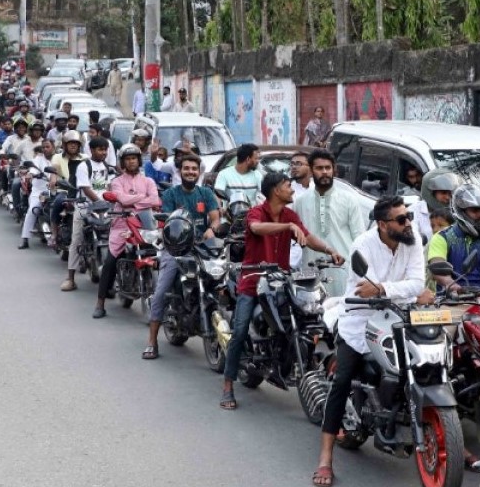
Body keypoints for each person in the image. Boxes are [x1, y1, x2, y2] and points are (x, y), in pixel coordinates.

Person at [312, 195, 425, 487]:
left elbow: (417, 284)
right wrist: (394, 290)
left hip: (399, 317)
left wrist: (385, 289)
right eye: (401, 219)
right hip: (360, 321)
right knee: (342, 381)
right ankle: (325, 457)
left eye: (409, 217)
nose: (408, 223)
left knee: (427, 365)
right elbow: (367, 289)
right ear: (383, 224)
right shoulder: (362, 245)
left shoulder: (413, 240)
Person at [220, 172, 343, 411]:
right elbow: (256, 228)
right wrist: (287, 227)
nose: (292, 189)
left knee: (306, 315)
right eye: (288, 186)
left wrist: (330, 251)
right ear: (276, 190)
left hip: (281, 281)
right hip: (253, 282)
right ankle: (227, 385)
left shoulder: (290, 215)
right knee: (240, 330)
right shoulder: (257, 212)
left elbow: (308, 237)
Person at [142, 154, 220, 358]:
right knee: (161, 292)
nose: (190, 172)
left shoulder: (206, 193)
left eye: (194, 169)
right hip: (175, 248)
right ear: (179, 171)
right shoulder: (170, 194)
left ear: (199, 172)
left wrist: (212, 228)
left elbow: (215, 218)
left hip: (203, 248)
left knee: (221, 281)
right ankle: (152, 342)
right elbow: (169, 220)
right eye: (186, 168)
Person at [94, 144, 161, 319]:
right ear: (123, 162)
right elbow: (122, 200)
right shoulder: (117, 181)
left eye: (134, 158)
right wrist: (143, 199)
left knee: (160, 257)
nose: (131, 162)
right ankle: (100, 303)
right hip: (122, 226)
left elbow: (155, 200)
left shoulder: (148, 181)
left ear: (139, 160)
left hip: (144, 225)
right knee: (110, 262)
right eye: (128, 159)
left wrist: (133, 201)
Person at [293, 149, 366, 296]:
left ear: (334, 170)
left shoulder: (349, 200)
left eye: (328, 168)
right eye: (319, 168)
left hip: (343, 270)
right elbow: (298, 237)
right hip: (311, 271)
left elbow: (360, 239)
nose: (325, 172)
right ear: (311, 171)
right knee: (312, 308)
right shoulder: (300, 202)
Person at [62, 137, 113, 292]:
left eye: (105, 150)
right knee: (76, 240)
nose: (103, 152)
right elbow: (85, 188)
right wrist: (100, 202)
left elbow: (109, 187)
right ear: (91, 150)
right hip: (85, 207)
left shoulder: (107, 166)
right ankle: (70, 279)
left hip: (104, 209)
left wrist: (110, 202)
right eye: (100, 149)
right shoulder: (84, 166)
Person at [19, 138, 58, 250]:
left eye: (48, 146)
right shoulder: (38, 159)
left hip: (57, 190)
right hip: (40, 191)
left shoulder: (58, 158)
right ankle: (25, 239)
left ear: (53, 147)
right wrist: (32, 174)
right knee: (33, 210)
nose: (45, 149)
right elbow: (33, 170)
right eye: (43, 147)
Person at [411, 169, 462, 243]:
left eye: (450, 193)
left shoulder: (457, 210)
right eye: (443, 193)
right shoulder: (414, 212)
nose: (448, 197)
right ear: (431, 193)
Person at [288, 151, 313, 268]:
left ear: (310, 167)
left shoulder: (317, 190)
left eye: (298, 164)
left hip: (314, 246)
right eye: (292, 164)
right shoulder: (286, 190)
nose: (294, 167)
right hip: (292, 248)